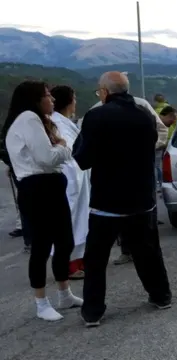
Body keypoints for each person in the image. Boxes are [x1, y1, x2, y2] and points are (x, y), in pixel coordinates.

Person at [74, 71, 172, 327]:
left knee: (96, 259)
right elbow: (153, 144)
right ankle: (161, 296)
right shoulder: (145, 115)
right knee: (148, 251)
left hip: (107, 201)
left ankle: (93, 311)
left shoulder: (96, 116)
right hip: (141, 197)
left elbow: (83, 159)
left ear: (105, 92)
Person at [2, 81, 83, 321]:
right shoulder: (28, 118)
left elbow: (51, 155)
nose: (53, 100)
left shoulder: (42, 121)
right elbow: (47, 158)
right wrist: (63, 147)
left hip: (51, 185)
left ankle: (64, 293)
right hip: (37, 187)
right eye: (48, 95)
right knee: (41, 246)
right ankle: (41, 302)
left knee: (64, 241)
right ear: (35, 99)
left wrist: (58, 148)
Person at [84, 94, 168, 265]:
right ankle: (127, 250)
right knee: (115, 217)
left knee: (142, 220)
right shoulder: (96, 110)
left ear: (105, 90)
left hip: (138, 174)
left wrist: (146, 148)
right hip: (111, 180)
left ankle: (143, 253)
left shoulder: (141, 106)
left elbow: (161, 129)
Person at [50, 85, 90, 281]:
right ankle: (68, 265)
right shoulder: (56, 123)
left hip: (79, 178)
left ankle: (79, 260)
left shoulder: (64, 122)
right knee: (71, 221)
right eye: (74, 98)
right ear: (68, 101)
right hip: (71, 179)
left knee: (80, 220)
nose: (76, 102)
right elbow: (65, 151)